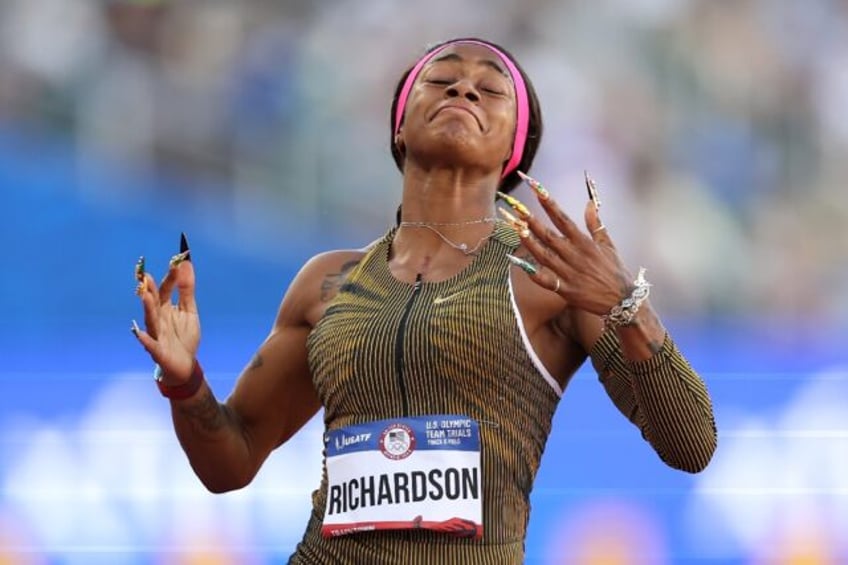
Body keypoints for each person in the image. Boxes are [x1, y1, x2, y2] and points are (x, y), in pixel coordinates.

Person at [132, 37, 717, 564]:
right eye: (441, 81)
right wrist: (186, 384)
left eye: (490, 90)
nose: (464, 88)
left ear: (515, 149)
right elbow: (231, 463)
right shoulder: (327, 282)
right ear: (398, 127)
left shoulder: (553, 276)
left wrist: (627, 305)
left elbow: (691, 444)